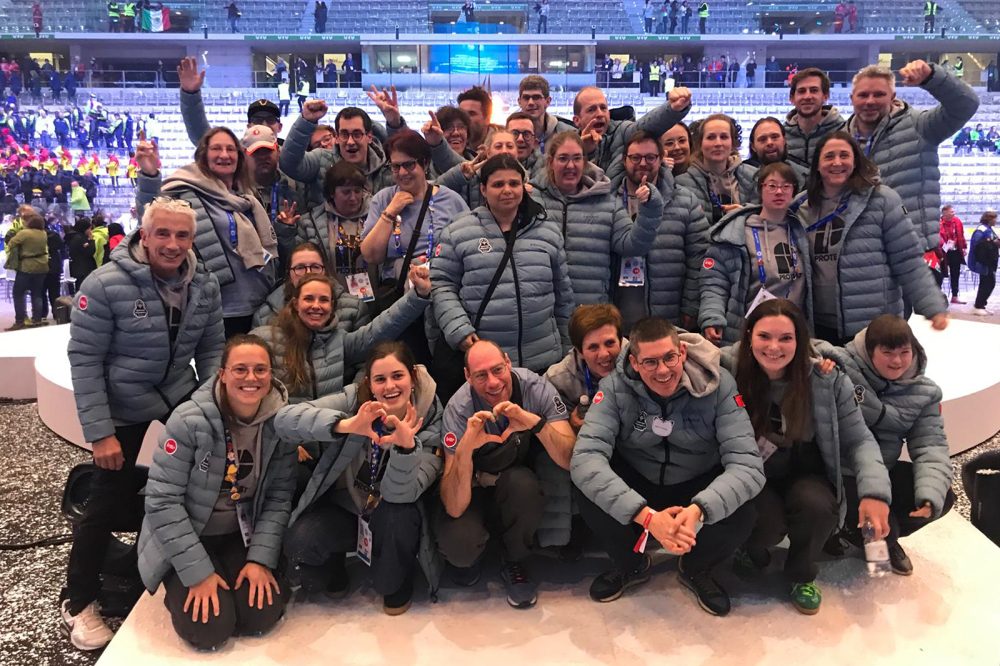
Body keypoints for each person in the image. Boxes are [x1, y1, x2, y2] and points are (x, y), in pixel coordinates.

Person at [62, 198, 224, 651]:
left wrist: (211, 410)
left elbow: (212, 349)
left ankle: (187, 558)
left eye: (183, 235)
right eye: (164, 234)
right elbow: (86, 360)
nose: (173, 245)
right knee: (104, 502)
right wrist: (100, 433)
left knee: (206, 473)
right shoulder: (106, 283)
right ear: (144, 234)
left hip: (176, 392)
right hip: (121, 404)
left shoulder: (203, 284)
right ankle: (79, 600)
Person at [571, 317, 764, 615]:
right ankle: (631, 565)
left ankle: (697, 567)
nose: (662, 370)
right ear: (634, 363)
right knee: (587, 490)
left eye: (669, 358)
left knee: (745, 506)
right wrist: (647, 518)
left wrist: (700, 510)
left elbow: (748, 465)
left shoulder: (721, 384)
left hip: (697, 481)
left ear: (683, 353)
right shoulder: (612, 388)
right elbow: (585, 459)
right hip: (641, 482)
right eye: (650, 362)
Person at [724, 299, 891, 614]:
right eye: (764, 336)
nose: (774, 347)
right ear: (748, 336)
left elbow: (859, 439)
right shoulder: (728, 368)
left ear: (800, 340)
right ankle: (752, 547)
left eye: (786, 338)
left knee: (817, 507)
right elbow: (675, 348)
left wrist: (874, 493)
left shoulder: (825, 378)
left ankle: (801, 574)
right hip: (753, 470)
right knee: (762, 522)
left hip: (805, 466)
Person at [138, 334, 294, 651]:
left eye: (260, 370)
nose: (251, 378)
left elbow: (278, 498)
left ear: (270, 376)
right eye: (240, 369)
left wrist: (261, 560)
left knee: (260, 616)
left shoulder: (281, 423)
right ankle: (180, 584)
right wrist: (198, 574)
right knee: (209, 628)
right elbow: (161, 500)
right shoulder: (188, 421)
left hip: (240, 533)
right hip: (191, 533)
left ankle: (237, 571)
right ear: (222, 374)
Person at [274, 341, 443, 613]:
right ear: (369, 383)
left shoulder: (431, 416)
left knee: (389, 576)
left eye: (397, 376)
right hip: (349, 507)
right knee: (302, 543)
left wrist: (405, 448)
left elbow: (404, 493)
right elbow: (284, 420)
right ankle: (337, 562)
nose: (389, 386)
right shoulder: (356, 400)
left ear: (412, 377)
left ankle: (396, 573)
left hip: (392, 514)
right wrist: (346, 425)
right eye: (380, 379)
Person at [436, 340, 576, 608]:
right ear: (467, 377)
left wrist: (535, 424)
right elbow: (453, 506)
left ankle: (515, 559)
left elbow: (570, 460)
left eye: (497, 370)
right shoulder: (457, 409)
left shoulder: (536, 388)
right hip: (473, 487)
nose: (492, 382)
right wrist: (465, 449)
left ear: (509, 362)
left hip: (512, 481)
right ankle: (474, 554)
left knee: (523, 486)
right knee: (460, 546)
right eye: (480, 375)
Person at [816, 314, 955, 575]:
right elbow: (812, 348)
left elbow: (931, 446)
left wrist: (930, 494)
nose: (898, 360)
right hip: (841, 472)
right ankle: (868, 537)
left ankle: (883, 535)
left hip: (885, 468)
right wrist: (820, 363)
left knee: (941, 498)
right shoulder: (843, 366)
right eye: (888, 352)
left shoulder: (924, 392)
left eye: (905, 352)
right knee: (875, 530)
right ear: (870, 352)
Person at [431, 153, 574, 391]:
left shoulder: (547, 231)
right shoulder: (458, 232)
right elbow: (442, 284)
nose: (507, 190)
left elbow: (563, 294)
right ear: (484, 189)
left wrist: (567, 347)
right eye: (498, 184)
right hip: (485, 361)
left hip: (541, 358)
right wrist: (459, 330)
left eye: (514, 183)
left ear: (523, 187)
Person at [794, 131, 947, 344]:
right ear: (817, 165)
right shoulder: (801, 206)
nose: (837, 162)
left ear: (856, 161)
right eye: (829, 156)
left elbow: (908, 260)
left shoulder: (882, 199)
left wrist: (933, 306)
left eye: (844, 155)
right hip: (820, 327)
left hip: (873, 327)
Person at [134, 131, 279, 339]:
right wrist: (149, 175)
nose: (224, 154)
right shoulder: (185, 192)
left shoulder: (246, 197)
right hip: (219, 310)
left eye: (230, 149)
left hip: (259, 306)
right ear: (203, 154)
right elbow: (150, 214)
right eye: (216, 148)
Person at [847, 61, 979, 253]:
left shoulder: (920, 125)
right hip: (865, 253)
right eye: (863, 95)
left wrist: (933, 78)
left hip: (915, 251)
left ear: (892, 97)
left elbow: (966, 104)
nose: (870, 101)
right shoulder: (841, 138)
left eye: (879, 94)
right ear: (852, 98)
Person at [251, 272, 430, 401]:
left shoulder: (339, 341)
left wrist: (418, 295)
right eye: (308, 299)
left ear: (332, 306)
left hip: (331, 441)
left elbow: (382, 328)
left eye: (323, 300)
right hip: (288, 443)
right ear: (296, 304)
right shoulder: (265, 340)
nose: (316, 305)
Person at [532, 131, 663, 305]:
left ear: (585, 162)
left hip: (590, 310)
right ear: (551, 162)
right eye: (563, 158)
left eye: (577, 158)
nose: (570, 165)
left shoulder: (607, 203)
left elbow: (633, 246)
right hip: (542, 307)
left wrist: (650, 207)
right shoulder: (532, 200)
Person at [605, 130, 708, 331]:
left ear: (661, 160)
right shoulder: (606, 200)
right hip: (615, 314)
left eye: (650, 157)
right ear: (624, 160)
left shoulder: (685, 201)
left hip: (667, 313)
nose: (643, 163)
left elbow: (699, 258)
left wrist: (691, 306)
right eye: (635, 157)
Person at [700, 162, 812, 346]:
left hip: (792, 331)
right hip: (748, 330)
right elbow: (714, 281)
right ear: (760, 190)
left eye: (786, 186)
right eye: (772, 185)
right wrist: (712, 317)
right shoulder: (735, 231)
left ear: (794, 191)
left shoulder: (800, 230)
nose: (779, 192)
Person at [280, 100, 395, 209]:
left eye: (357, 134)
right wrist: (305, 122)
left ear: (369, 137)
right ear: (337, 137)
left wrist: (395, 124)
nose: (350, 142)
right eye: (344, 134)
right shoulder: (321, 160)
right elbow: (289, 164)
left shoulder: (387, 167)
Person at [571, 84, 690, 174]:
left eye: (603, 108)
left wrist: (673, 108)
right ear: (577, 120)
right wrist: (584, 152)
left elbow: (646, 125)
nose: (600, 114)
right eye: (591, 110)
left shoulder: (622, 132)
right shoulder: (566, 144)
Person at [251, 241, 367, 332]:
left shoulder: (354, 308)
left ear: (325, 271)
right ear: (289, 274)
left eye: (315, 267)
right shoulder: (264, 316)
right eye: (300, 268)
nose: (308, 273)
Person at [291, 161, 371, 287]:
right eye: (346, 192)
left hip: (375, 296)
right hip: (329, 297)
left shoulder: (377, 215)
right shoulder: (309, 223)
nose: (353, 198)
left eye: (357, 191)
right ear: (332, 193)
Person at [544, 303, 623, 431]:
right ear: (579, 351)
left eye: (609, 343)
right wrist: (570, 423)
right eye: (593, 347)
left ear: (620, 341)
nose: (604, 354)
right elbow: (550, 428)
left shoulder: (640, 363)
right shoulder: (557, 380)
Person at [677, 113, 759, 227]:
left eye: (724, 137)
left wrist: (746, 217)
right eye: (711, 137)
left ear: (733, 143)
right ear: (700, 143)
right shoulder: (681, 183)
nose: (718, 143)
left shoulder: (754, 177)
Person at [784, 68, 846, 169]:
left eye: (814, 90)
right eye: (801, 91)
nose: (807, 96)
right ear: (792, 98)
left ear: (825, 96)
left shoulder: (844, 132)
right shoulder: (781, 137)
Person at [4, 206, 49, 330]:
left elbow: (12, 242)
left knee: (18, 293)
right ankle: (37, 320)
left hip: (27, 266)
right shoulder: (43, 233)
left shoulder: (24, 233)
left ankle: (20, 321)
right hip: (42, 267)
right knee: (37, 294)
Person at [517, 75, 575, 154]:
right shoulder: (508, 135)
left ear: (548, 101)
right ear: (519, 102)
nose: (530, 103)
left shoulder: (567, 133)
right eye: (526, 98)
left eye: (536, 97)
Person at [744, 117, 809, 185]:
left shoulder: (805, 178)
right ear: (753, 146)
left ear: (784, 140)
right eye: (762, 139)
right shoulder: (742, 178)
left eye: (774, 137)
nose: (769, 143)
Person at [968, 210, 999, 315]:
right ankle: (978, 306)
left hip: (990, 261)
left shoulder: (990, 229)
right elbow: (978, 245)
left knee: (990, 283)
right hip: (982, 262)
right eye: (994, 218)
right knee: (986, 283)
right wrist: (990, 242)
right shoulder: (981, 230)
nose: (996, 221)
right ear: (989, 219)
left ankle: (981, 304)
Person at [938, 205, 967, 304]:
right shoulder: (939, 224)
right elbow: (938, 239)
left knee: (955, 274)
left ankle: (955, 296)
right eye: (951, 212)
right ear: (944, 213)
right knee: (940, 274)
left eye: (954, 211)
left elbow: (961, 235)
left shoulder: (957, 221)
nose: (954, 213)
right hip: (943, 253)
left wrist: (963, 247)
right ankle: (937, 297)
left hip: (955, 251)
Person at [66, 217, 98, 290]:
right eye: (89, 229)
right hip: (83, 268)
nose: (90, 231)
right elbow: (90, 252)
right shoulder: (81, 239)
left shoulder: (73, 236)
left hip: (78, 267)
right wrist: (91, 241)